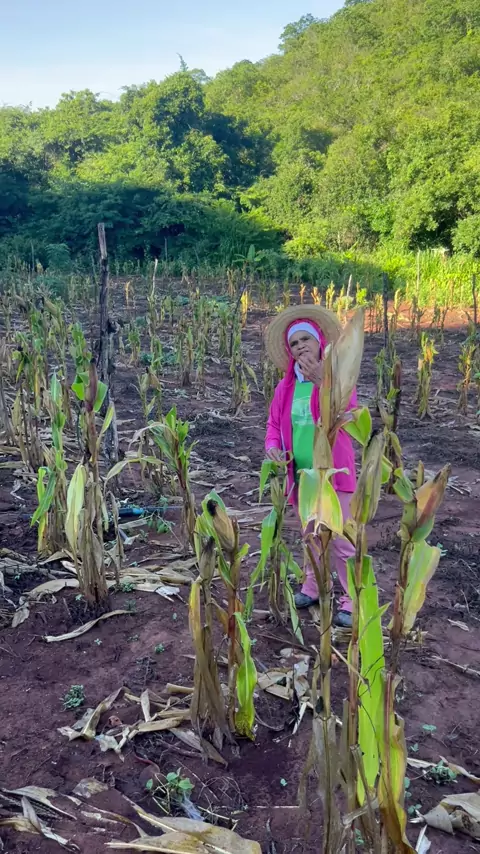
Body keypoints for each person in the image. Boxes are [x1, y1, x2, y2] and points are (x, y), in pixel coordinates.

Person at [264, 305, 357, 628]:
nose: (300, 346)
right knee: (311, 535)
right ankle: (314, 586)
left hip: (335, 474)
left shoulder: (338, 379)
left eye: (306, 339)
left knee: (342, 539)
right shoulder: (285, 388)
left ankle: (352, 599)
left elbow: (348, 415)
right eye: (294, 343)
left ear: (320, 342)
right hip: (302, 476)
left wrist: (322, 382)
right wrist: (273, 447)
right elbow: (274, 425)